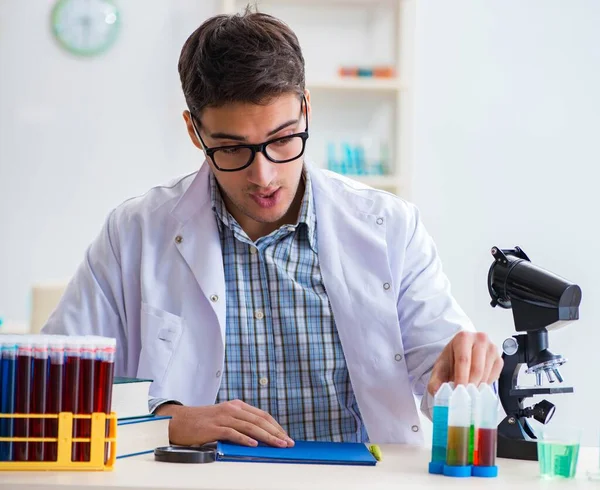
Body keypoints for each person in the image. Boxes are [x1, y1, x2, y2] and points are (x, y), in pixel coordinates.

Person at [42, 9, 502, 448]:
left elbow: (436, 366)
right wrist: (166, 421)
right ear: (194, 131)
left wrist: (459, 365)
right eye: (231, 148)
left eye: (282, 140)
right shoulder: (135, 232)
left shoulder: (390, 227)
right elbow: (52, 382)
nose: (263, 176)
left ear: (305, 110)